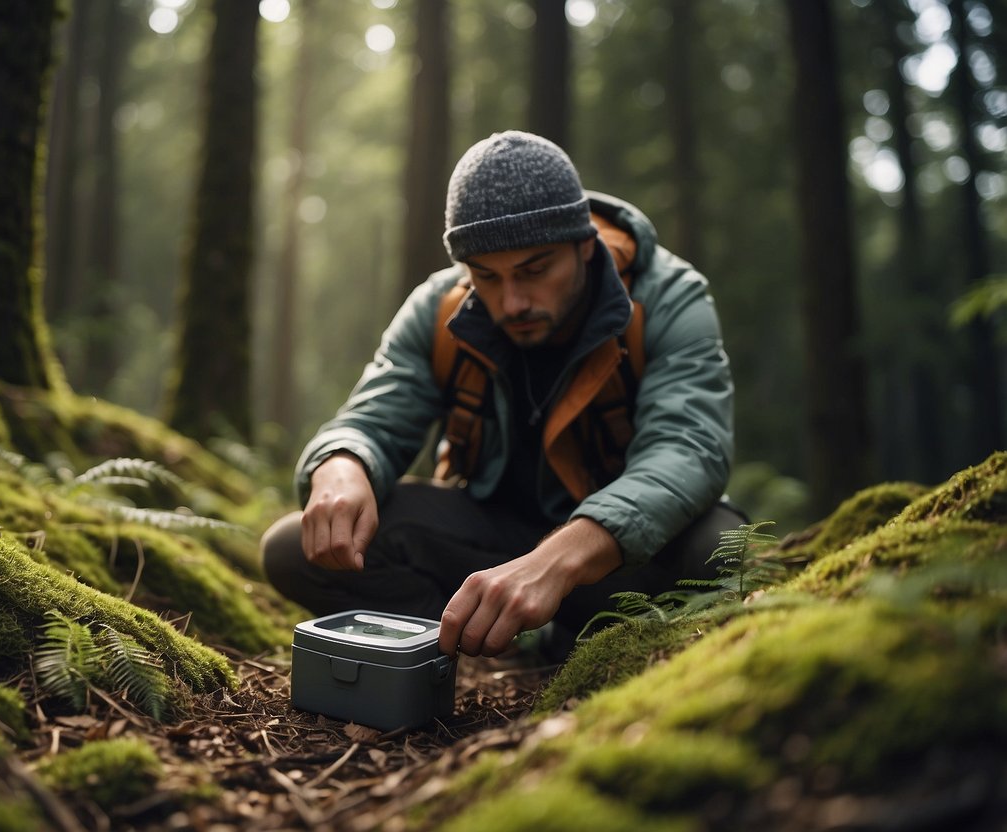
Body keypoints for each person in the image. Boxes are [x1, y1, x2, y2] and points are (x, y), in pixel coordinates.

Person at [261, 130, 740, 660]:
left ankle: (585, 642)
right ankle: (465, 646)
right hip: (484, 542)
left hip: (610, 555)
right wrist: (342, 463)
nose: (512, 301)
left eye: (535, 271)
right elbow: (376, 415)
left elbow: (689, 449)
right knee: (293, 549)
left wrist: (557, 561)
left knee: (722, 549)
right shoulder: (440, 308)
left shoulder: (668, 297)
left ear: (585, 245)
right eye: (486, 276)